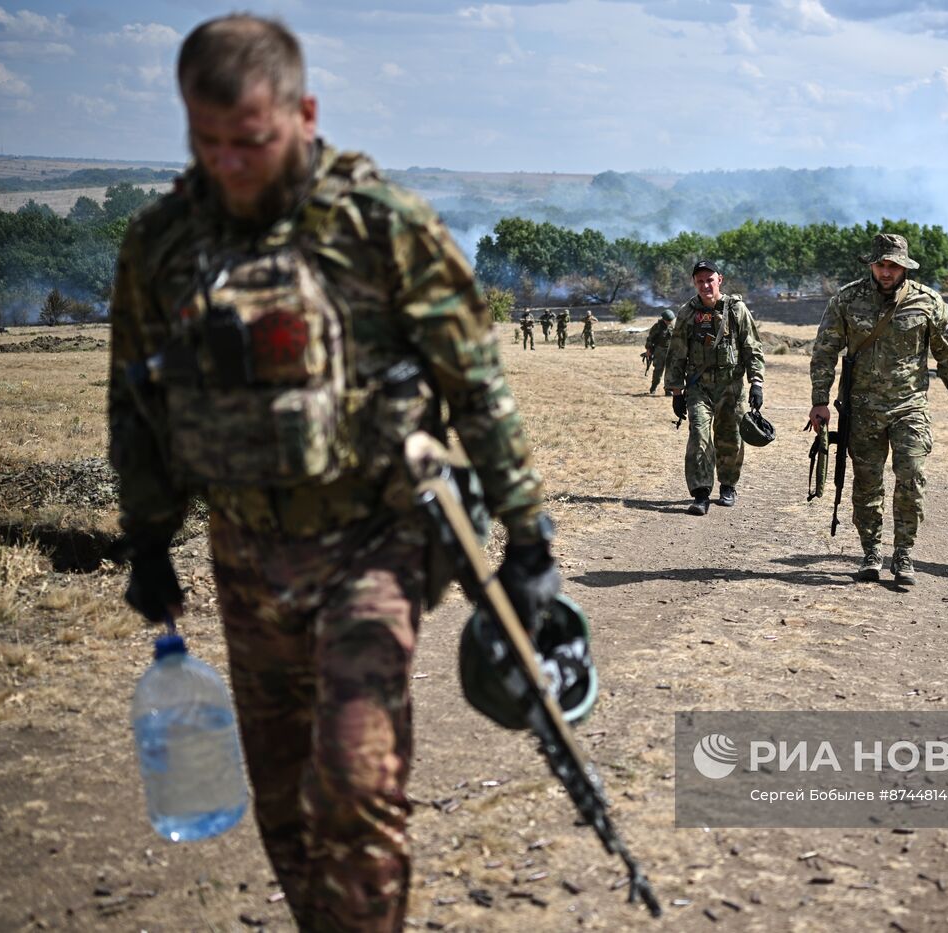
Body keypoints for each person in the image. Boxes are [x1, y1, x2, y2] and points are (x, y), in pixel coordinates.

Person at [106, 16, 560, 931]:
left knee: (354, 782)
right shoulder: (162, 246)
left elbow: (476, 384)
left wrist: (529, 535)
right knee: (283, 802)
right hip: (243, 556)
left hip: (373, 543)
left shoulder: (379, 228)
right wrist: (148, 537)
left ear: (304, 113)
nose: (229, 163)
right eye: (207, 140)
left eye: (252, 139)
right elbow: (137, 400)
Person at [808, 233, 948, 585]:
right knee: (867, 483)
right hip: (861, 409)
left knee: (911, 475)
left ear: (904, 267)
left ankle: (904, 553)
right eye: (881, 264)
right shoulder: (847, 300)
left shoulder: (928, 303)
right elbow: (825, 351)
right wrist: (820, 400)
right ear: (872, 264)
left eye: (893, 265)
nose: (886, 271)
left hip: (909, 407)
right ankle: (871, 552)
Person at [665, 260, 765, 515]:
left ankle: (728, 485)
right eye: (700, 281)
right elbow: (676, 354)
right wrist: (677, 393)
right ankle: (700, 493)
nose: (705, 285)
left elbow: (752, 348)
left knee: (730, 438)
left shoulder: (737, 309)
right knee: (699, 436)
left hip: (731, 388)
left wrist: (756, 383)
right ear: (694, 283)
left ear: (720, 279)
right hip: (699, 389)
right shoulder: (687, 312)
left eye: (710, 280)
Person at [644, 308, 676, 395]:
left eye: (670, 320)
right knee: (658, 370)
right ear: (663, 319)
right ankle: (653, 387)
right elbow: (650, 339)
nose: (669, 322)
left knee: (670, 371)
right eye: (667, 320)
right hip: (660, 351)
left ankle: (668, 390)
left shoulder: (674, 325)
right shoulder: (657, 327)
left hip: (671, 351)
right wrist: (648, 350)